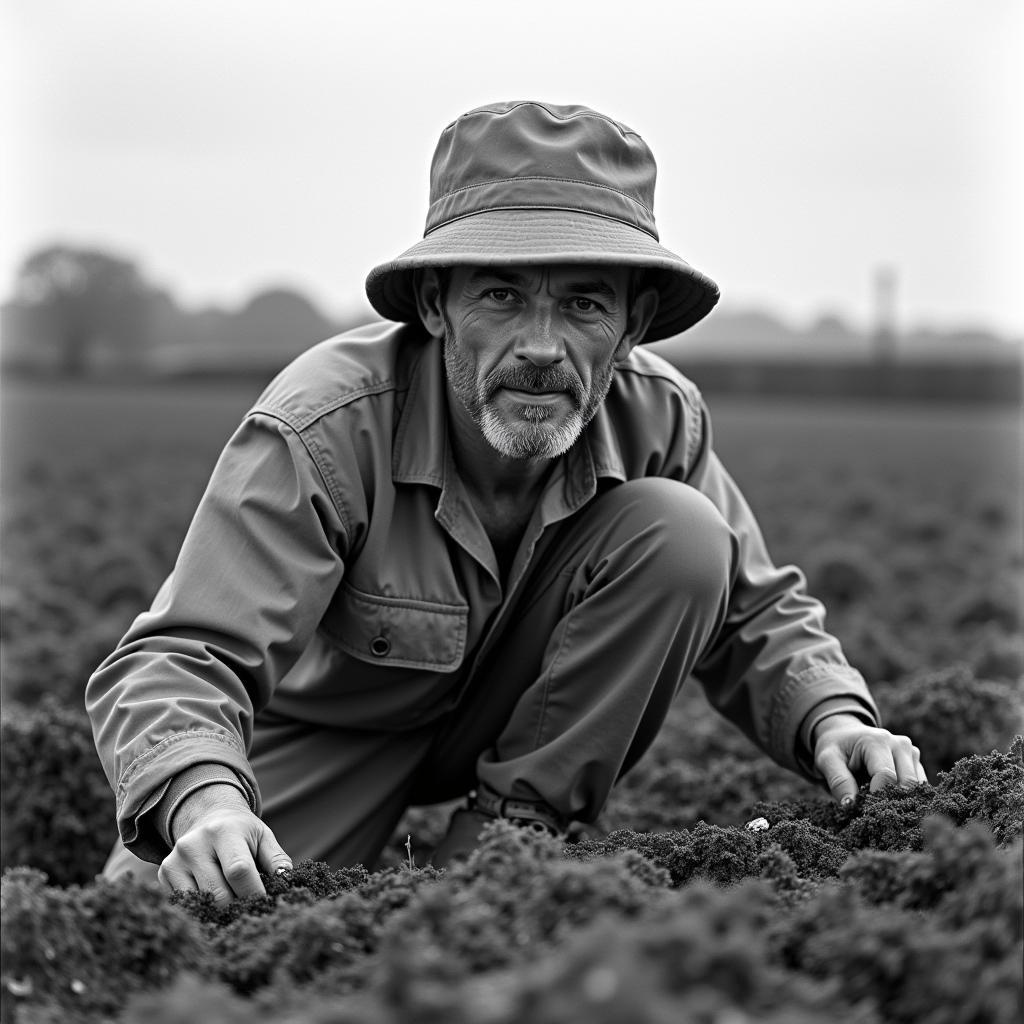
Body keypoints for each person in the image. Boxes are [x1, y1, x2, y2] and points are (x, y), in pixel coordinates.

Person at [86, 100, 926, 903]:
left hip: (533, 745)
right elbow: (185, 652)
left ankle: (508, 852)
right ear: (435, 304)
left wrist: (833, 719)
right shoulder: (324, 429)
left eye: (584, 303)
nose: (539, 345)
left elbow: (752, 609)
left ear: (632, 325)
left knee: (684, 533)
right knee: (172, 928)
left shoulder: (657, 416)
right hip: (331, 736)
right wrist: (205, 801)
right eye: (501, 294)